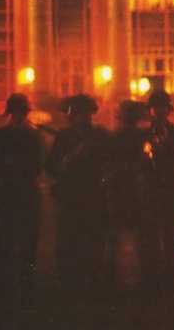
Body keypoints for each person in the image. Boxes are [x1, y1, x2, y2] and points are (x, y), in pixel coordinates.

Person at [45, 94, 111, 293]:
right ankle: (70, 281)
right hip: (71, 196)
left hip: (93, 194)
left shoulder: (100, 136)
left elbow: (110, 163)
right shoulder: (64, 137)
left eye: (86, 113)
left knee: (94, 240)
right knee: (68, 240)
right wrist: (70, 158)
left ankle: (92, 280)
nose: (83, 117)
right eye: (79, 114)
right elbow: (51, 167)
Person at [0, 93, 44, 326]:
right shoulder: (32, 135)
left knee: (9, 244)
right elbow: (37, 166)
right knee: (25, 245)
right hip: (23, 194)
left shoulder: (0, 135)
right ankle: (25, 290)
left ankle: (10, 291)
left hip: (9, 194)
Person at [136, 89, 174, 297]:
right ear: (150, 110)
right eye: (156, 108)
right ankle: (150, 281)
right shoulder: (143, 134)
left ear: (168, 110)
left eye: (163, 108)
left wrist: (161, 147)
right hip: (151, 189)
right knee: (149, 238)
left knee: (170, 238)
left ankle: (170, 282)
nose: (159, 111)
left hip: (173, 189)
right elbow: (140, 160)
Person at [109, 100, 151, 283]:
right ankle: (144, 278)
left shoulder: (115, 137)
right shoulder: (144, 137)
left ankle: (114, 278)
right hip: (135, 189)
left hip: (124, 189)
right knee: (142, 238)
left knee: (116, 238)